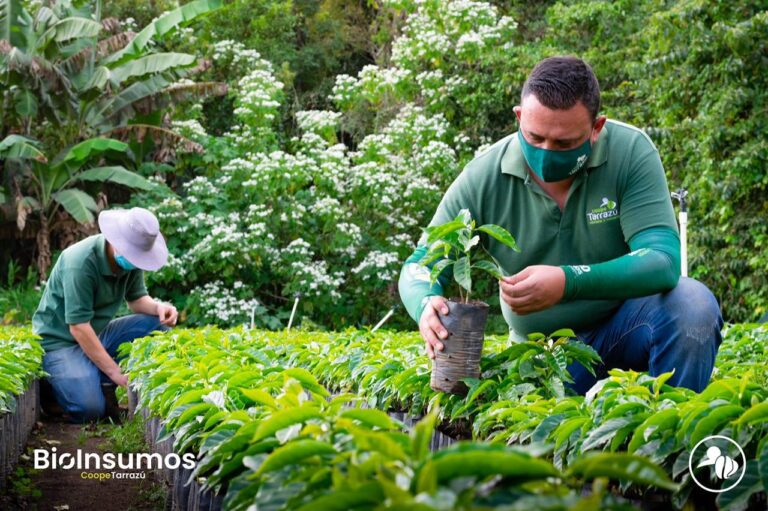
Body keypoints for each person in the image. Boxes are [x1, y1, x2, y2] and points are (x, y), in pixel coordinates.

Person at [399, 56, 723, 394]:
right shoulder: (484, 175)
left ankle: (672, 438)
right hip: (543, 354)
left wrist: (568, 281)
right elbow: (422, 263)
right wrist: (426, 305)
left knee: (692, 304)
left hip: (626, 330)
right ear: (519, 117)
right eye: (535, 137)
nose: (546, 152)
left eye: (565, 144)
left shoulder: (630, 152)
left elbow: (663, 260)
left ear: (597, 128)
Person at [32, 207, 178, 422]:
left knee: (158, 325)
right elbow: (78, 327)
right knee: (89, 410)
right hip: (61, 342)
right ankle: (52, 389)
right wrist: (115, 372)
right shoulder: (80, 262)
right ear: (117, 241)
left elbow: (136, 300)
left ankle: (90, 373)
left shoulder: (131, 260)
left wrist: (159, 308)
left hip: (96, 333)